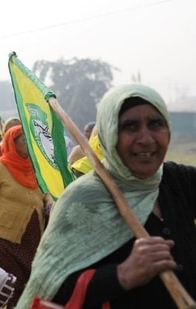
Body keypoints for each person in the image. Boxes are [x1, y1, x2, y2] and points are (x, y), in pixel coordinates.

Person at [16, 84, 196, 309]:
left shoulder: (178, 180)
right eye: (130, 126)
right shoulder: (84, 198)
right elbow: (50, 289)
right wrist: (122, 274)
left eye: (155, 124)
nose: (146, 138)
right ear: (110, 133)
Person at [0, 125, 46, 307]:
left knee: (30, 286)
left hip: (32, 241)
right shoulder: (0, 167)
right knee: (11, 289)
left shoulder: (35, 168)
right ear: (12, 143)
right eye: (24, 141)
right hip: (6, 241)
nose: (29, 145)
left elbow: (44, 194)